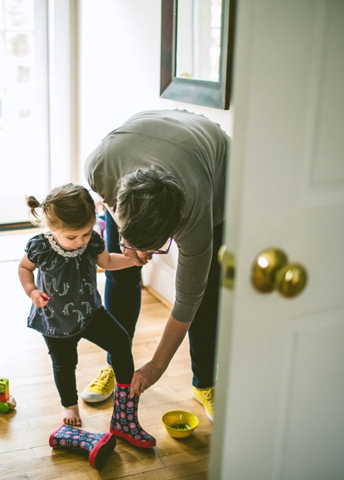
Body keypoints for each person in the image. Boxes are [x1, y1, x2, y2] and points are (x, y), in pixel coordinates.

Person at [82, 109, 229, 423]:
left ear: (175, 229)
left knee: (206, 292)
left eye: (154, 250)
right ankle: (114, 365)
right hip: (149, 136)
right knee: (120, 275)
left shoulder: (196, 215)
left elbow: (188, 300)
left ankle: (204, 383)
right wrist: (127, 249)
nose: (143, 256)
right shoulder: (101, 167)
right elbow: (107, 202)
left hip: (213, 161)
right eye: (133, 243)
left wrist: (156, 366)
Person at [18, 183, 156, 448]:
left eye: (84, 233)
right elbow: (24, 268)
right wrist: (32, 291)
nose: (80, 241)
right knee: (64, 364)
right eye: (73, 237)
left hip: (90, 313)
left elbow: (106, 262)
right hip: (55, 321)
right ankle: (70, 406)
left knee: (120, 341)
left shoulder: (91, 240)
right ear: (52, 228)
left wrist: (132, 260)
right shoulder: (40, 246)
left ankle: (124, 411)